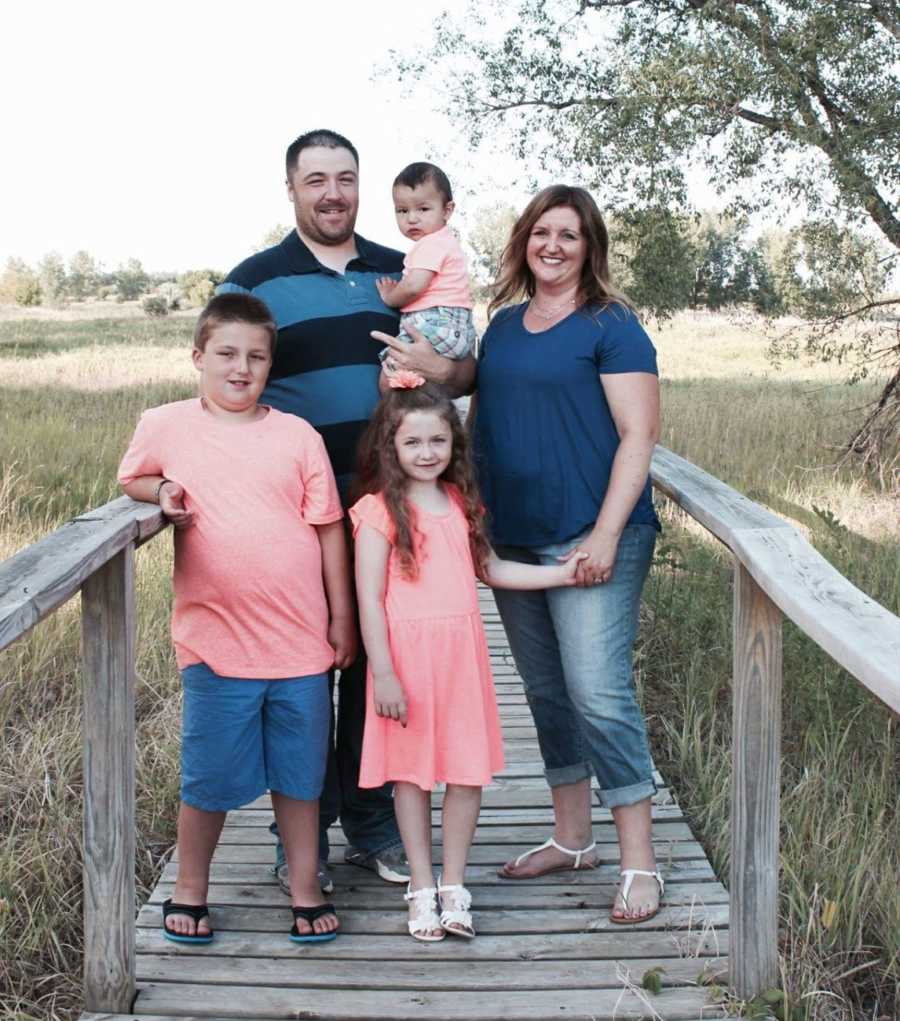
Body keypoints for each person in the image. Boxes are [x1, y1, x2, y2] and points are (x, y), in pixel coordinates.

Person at [217, 130, 476, 894]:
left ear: (361, 187)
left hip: (385, 505)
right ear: (290, 189)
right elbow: (224, 381)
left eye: (346, 179)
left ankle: (370, 828)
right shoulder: (256, 279)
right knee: (302, 673)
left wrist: (444, 368)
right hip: (291, 515)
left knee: (371, 665)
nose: (333, 192)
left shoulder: (400, 267)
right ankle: (296, 836)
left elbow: (462, 365)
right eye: (316, 179)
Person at [118, 293, 348, 943]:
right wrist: (160, 490)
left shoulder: (296, 436)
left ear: (271, 364)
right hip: (216, 641)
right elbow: (134, 476)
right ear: (198, 356)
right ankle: (192, 886)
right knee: (210, 777)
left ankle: (304, 883)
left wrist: (342, 619)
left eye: (255, 356)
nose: (241, 367)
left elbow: (329, 530)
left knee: (301, 777)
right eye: (226, 353)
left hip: (301, 641)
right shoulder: (167, 423)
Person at [471, 185, 665, 924]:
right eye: (541, 233)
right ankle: (573, 838)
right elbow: (487, 421)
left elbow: (638, 436)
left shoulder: (612, 324)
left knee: (598, 691)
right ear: (524, 240)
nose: (552, 245)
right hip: (515, 533)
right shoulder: (503, 327)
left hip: (593, 530)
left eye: (570, 235)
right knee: (549, 692)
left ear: (591, 247)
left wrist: (607, 534)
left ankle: (638, 861)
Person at [350, 376, 586, 941]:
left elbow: (494, 570)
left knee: (463, 770)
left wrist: (562, 573)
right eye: (413, 443)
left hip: (460, 657)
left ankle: (455, 885)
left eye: (438, 441)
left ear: (454, 444)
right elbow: (369, 598)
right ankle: (421, 886)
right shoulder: (377, 511)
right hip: (405, 658)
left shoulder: (461, 502)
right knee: (411, 777)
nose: (427, 453)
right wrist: (382, 670)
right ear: (391, 446)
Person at [374, 162, 477, 372]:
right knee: (416, 381)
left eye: (423, 209)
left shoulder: (431, 243)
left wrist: (389, 296)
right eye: (402, 210)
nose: (412, 218)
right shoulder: (444, 241)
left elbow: (414, 286)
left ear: (447, 210)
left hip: (436, 322)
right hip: (452, 325)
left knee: (391, 370)